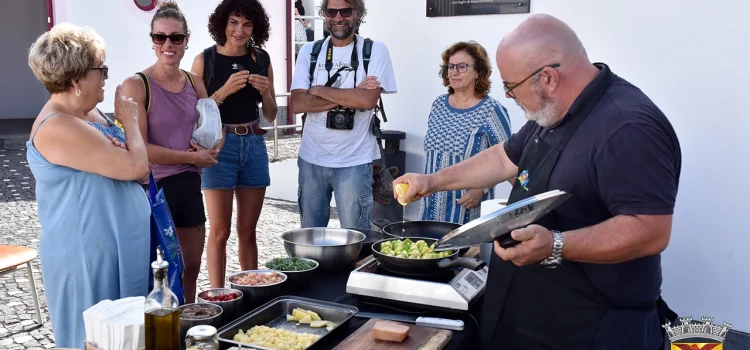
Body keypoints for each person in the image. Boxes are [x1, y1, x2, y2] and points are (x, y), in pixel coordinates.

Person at [395, 14, 681, 350]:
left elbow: (649, 230)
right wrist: (430, 181)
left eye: (510, 87)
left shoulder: (628, 127)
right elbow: (503, 158)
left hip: (590, 325)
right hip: (530, 311)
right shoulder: (553, 112)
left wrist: (557, 244)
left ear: (547, 78)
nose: (510, 97)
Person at [26, 23, 151, 347]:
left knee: (127, 336)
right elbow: (137, 164)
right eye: (101, 68)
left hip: (114, 245)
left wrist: (129, 156)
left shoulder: (89, 111)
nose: (107, 76)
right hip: (87, 256)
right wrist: (131, 123)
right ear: (76, 79)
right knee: (97, 337)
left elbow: (136, 172)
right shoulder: (58, 125)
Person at [121, 0, 214, 304]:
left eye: (175, 37)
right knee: (153, 271)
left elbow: (213, 129)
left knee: (190, 267)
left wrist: (212, 147)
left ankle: (186, 323)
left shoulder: (194, 81)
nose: (168, 44)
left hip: (188, 184)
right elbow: (141, 150)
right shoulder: (137, 85)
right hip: (153, 189)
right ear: (152, 41)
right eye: (160, 37)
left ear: (187, 40)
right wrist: (192, 157)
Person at [191, 0, 277, 288]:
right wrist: (224, 91)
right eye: (234, 22)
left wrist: (266, 94)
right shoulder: (205, 60)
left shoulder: (262, 59)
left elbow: (272, 114)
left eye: (247, 24)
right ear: (222, 24)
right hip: (219, 148)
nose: (239, 30)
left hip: (253, 143)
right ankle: (218, 296)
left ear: (255, 27)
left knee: (248, 230)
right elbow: (196, 112)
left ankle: (249, 292)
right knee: (219, 232)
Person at [290, 0, 397, 229]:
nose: (338, 18)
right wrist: (352, 93)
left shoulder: (374, 50)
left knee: (356, 239)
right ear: (324, 14)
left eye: (345, 11)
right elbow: (297, 104)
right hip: (311, 159)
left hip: (355, 161)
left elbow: (367, 101)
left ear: (357, 13)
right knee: (311, 238)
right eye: (331, 11)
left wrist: (317, 91)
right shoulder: (310, 51)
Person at [418, 41, 512, 225]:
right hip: (430, 206)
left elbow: (507, 160)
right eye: (450, 67)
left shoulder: (491, 111)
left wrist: (481, 189)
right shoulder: (438, 105)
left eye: (462, 67)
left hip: (465, 210)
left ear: (478, 71)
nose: (454, 72)